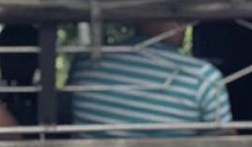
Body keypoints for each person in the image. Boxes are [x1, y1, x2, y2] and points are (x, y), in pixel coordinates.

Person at [68, 20, 232, 137]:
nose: (185, 24)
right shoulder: (203, 76)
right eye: (176, 15)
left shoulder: (87, 62)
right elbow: (223, 144)